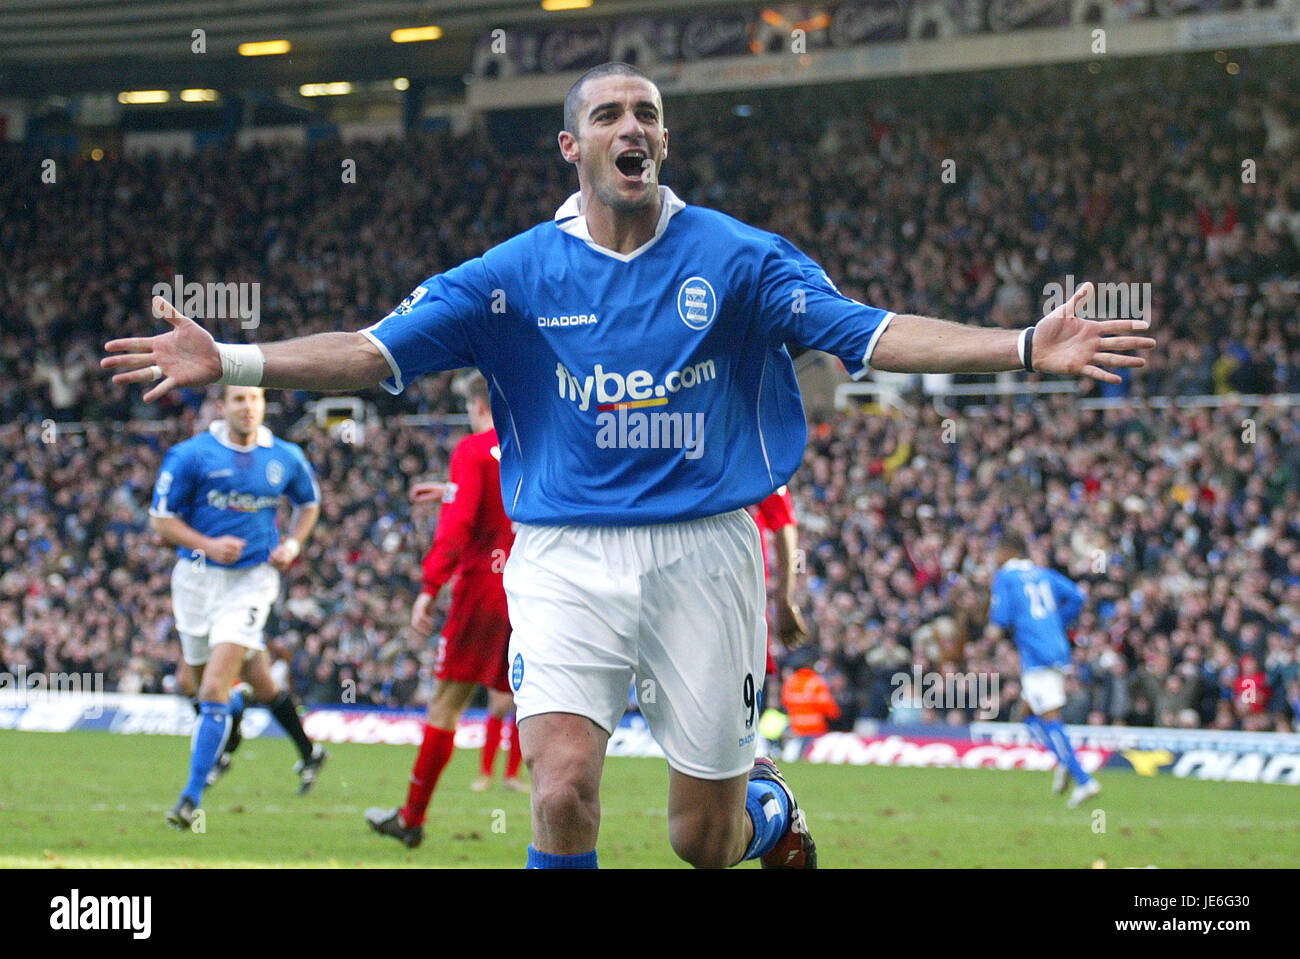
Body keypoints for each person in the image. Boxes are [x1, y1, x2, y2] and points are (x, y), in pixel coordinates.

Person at [104, 61, 1153, 867]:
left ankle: (770, 810)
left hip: (705, 556)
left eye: (646, 112)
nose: (632, 127)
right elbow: (375, 350)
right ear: (571, 145)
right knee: (558, 788)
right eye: (608, 115)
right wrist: (231, 358)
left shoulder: (739, 258)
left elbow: (866, 331)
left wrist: (1021, 346)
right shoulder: (509, 273)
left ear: (663, 139)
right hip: (560, 557)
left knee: (701, 838)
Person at [148, 385, 327, 829]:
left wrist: (292, 543)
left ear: (263, 404)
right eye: (239, 400)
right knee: (205, 683)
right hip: (194, 581)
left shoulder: (284, 456)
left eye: (255, 399)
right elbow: (161, 519)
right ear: (221, 406)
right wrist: (207, 543)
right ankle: (302, 749)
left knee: (212, 688)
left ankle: (190, 799)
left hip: (251, 583)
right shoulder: (192, 455)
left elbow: (309, 502)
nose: (248, 408)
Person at [365, 370, 523, 849]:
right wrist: (450, 489)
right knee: (539, 710)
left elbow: (457, 531)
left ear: (478, 406)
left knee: (446, 706)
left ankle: (412, 818)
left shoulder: (472, 452)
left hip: (483, 597)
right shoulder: (537, 445)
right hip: (534, 594)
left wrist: (429, 587)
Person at [986, 530, 1100, 808]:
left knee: (1050, 718)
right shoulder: (1043, 573)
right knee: (1026, 714)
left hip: (1038, 655)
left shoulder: (1006, 578)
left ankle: (1084, 780)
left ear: (1006, 552)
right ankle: (1064, 761)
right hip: (1057, 648)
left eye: (996, 552)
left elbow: (998, 621)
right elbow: (1078, 597)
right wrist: (1054, 622)